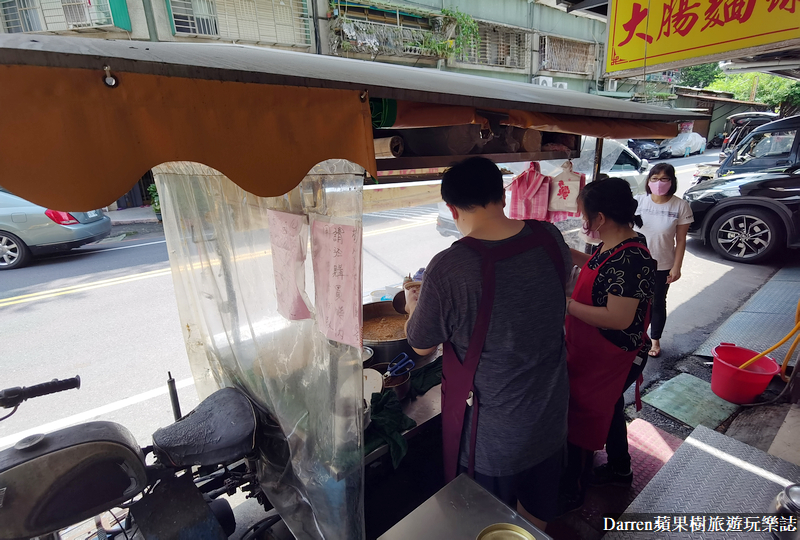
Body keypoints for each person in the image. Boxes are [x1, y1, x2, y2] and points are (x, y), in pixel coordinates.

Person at [404, 157, 572, 530]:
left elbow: (420, 345)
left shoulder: (450, 267)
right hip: (551, 414)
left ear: (452, 208)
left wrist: (414, 306)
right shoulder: (549, 237)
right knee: (534, 517)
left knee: (487, 524)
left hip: (495, 436)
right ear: (502, 193)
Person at [560, 178, 656, 513]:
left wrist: (566, 305)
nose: (582, 221)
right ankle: (619, 467)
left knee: (585, 415)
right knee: (610, 408)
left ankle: (573, 489)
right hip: (592, 350)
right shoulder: (613, 244)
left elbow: (617, 317)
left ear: (599, 218)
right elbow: (593, 268)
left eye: (584, 214)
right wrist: (554, 249)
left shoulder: (633, 257)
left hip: (612, 354)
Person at [634, 163, 694, 357]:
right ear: (648, 181)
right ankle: (634, 336)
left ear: (672, 181)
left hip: (662, 264)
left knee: (657, 302)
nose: (659, 183)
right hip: (636, 262)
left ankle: (655, 340)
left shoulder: (680, 206)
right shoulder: (638, 202)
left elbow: (681, 240)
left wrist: (677, 267)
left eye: (664, 179)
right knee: (632, 301)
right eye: (654, 178)